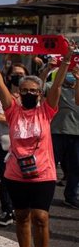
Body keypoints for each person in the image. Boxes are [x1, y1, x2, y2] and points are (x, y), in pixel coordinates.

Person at [0, 45, 73, 247]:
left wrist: (64, 63)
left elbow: (55, 87)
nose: (29, 93)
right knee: (21, 216)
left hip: (43, 174)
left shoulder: (46, 111)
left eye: (34, 90)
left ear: (40, 94)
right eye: (25, 90)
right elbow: (1, 85)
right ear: (19, 93)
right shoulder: (12, 111)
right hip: (15, 173)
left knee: (41, 217)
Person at [0, 63, 30, 227]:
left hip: (27, 144)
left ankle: (21, 209)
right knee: (6, 179)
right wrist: (21, 121)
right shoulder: (3, 94)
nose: (18, 77)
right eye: (15, 74)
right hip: (5, 143)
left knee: (26, 178)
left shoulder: (31, 95)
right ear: (8, 77)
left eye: (22, 74)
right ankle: (7, 211)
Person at [50, 68, 79, 209]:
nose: (73, 75)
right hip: (56, 133)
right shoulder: (56, 88)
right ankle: (45, 195)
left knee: (76, 168)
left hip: (77, 135)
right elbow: (44, 85)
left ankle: (72, 196)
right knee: (50, 166)